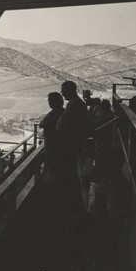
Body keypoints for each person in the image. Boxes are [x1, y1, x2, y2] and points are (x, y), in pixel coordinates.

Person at [56, 81, 89, 218]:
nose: (62, 93)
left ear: (71, 91)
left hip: (73, 144)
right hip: (78, 143)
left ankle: (74, 210)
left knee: (72, 176)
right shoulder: (79, 104)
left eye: (64, 90)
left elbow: (60, 126)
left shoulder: (74, 105)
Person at [39, 92, 65, 188]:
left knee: (51, 167)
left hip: (52, 144)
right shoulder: (64, 111)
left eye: (50, 101)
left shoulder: (53, 113)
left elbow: (41, 124)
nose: (49, 103)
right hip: (62, 144)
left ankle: (52, 189)